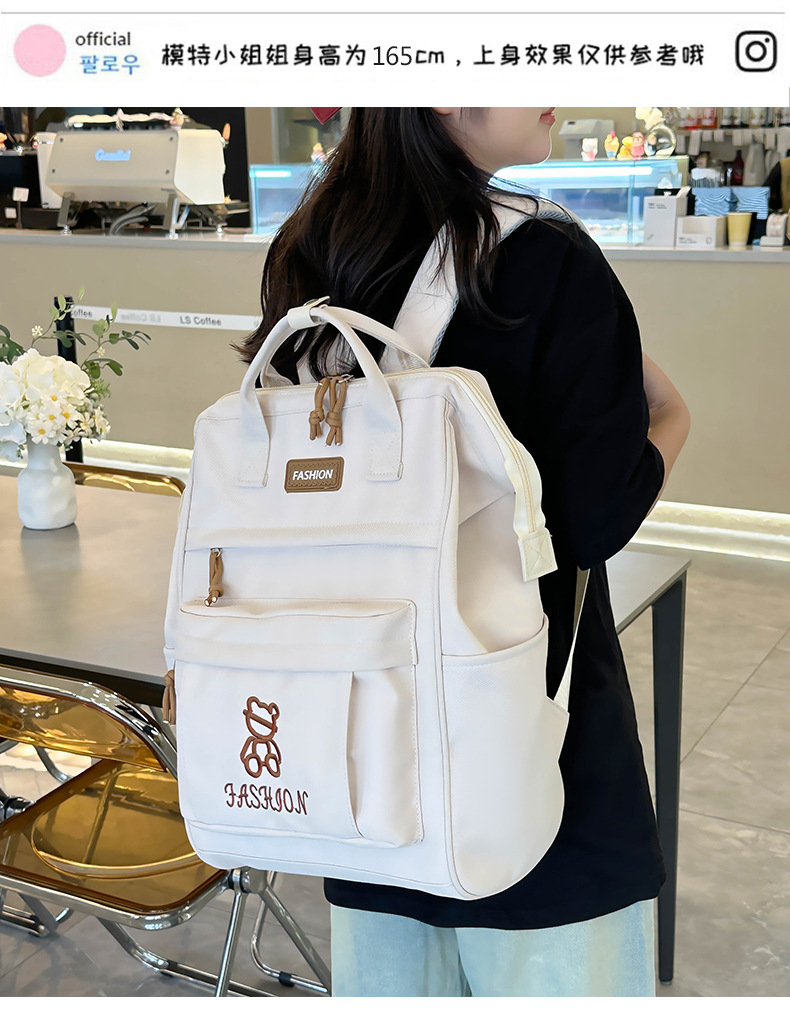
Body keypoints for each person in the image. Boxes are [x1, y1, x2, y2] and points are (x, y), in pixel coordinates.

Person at [234, 107, 691, 997]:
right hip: (526, 745)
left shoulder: (316, 247)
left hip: (361, 747)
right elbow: (592, 521)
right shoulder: (544, 257)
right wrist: (674, 421)